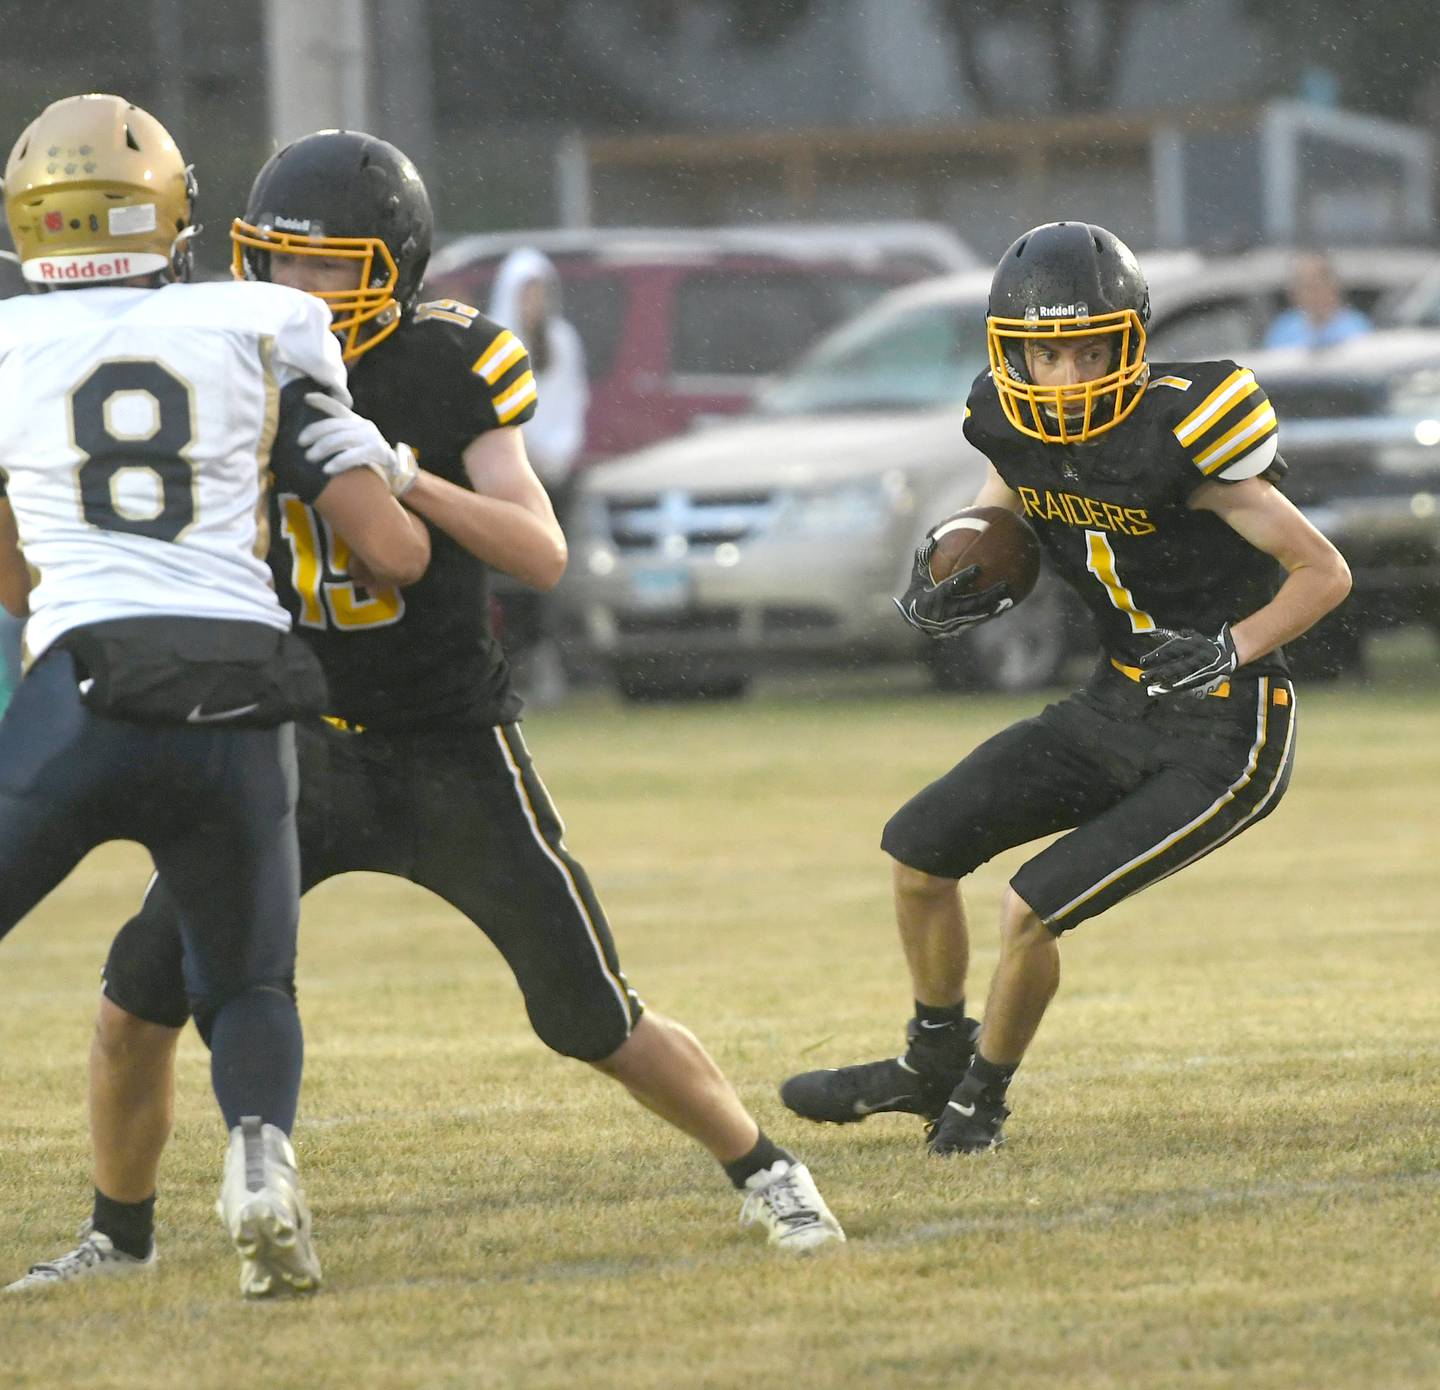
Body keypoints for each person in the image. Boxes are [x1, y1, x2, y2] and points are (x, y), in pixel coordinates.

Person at [6, 128, 842, 1295]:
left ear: (393, 270)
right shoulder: (217, 349)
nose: (297, 291)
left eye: (330, 269)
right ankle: (119, 1235)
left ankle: (765, 1167)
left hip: (449, 740)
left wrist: (405, 472)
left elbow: (540, 551)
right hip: (285, 734)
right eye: (275, 262)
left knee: (587, 1012)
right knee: (135, 995)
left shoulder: (446, 365)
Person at [781, 221, 1351, 1156]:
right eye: (1049, 355)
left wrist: (1230, 648)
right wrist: (961, 550)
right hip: (1113, 702)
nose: (1073, 373)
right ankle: (933, 1059)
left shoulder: (1181, 436)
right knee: (919, 852)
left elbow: (1324, 571)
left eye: (1093, 349)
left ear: (1130, 342)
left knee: (1030, 907)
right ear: (1014, 357)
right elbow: (1008, 485)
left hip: (1225, 730)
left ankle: (980, 1100)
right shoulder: (1008, 424)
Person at [0, 95, 430, 1297]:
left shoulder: (10, 353)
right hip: (242, 695)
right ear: (175, 220)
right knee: (244, 980)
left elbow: (11, 567)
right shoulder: (260, 335)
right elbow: (395, 556)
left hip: (87, 688)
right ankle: (257, 1156)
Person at [486, 248, 590, 706]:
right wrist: (519, 455)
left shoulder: (562, 341)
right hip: (508, 477)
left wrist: (557, 453)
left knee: (546, 571)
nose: (535, 301)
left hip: (553, 476)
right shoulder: (494, 342)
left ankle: (545, 663)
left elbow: (570, 401)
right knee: (507, 575)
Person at [1263, 252, 1371, 350]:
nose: (1312, 293)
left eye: (1317, 284)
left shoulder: (1357, 328)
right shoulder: (1282, 330)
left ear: (1334, 286)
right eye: (1304, 285)